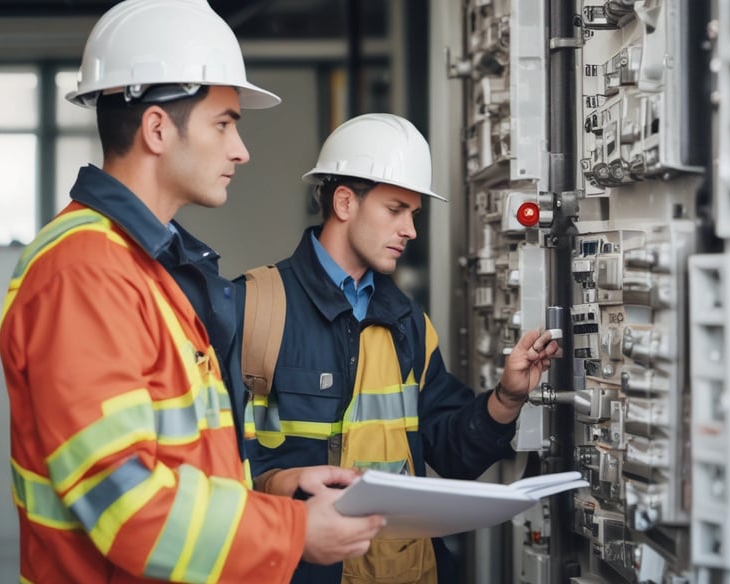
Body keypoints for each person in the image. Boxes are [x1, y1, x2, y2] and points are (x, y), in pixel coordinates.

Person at [0, 1, 384, 582]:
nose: (240, 150)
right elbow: (125, 506)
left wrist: (272, 487)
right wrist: (295, 531)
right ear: (157, 128)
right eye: (224, 123)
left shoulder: (148, 267)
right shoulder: (85, 272)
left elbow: (179, 466)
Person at [235, 113, 559, 584]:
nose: (411, 230)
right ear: (345, 202)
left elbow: (448, 452)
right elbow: (206, 459)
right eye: (395, 210)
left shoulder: (408, 322)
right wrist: (275, 483)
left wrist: (506, 399)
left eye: (414, 214)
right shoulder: (253, 309)